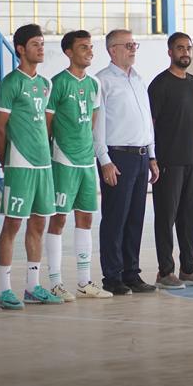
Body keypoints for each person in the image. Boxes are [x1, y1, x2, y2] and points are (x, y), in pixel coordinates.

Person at [0, 24, 63, 308]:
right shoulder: (11, 83)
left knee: (39, 222)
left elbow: (44, 125)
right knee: (12, 223)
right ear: (21, 49)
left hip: (43, 164)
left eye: (42, 43)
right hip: (19, 164)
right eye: (35, 44)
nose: (41, 48)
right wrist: (7, 161)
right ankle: (4, 289)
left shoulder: (45, 84)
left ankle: (32, 287)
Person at [43, 31, 113, 300]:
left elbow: (93, 124)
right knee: (59, 218)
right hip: (63, 161)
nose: (89, 51)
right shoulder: (58, 83)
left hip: (86, 162)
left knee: (85, 218)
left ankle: (84, 281)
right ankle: (55, 282)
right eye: (83, 47)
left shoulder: (94, 84)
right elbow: (47, 125)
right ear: (69, 52)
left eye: (91, 47)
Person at [93, 29, 159, 295]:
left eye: (134, 44)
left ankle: (132, 273)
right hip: (117, 156)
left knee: (135, 218)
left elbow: (146, 121)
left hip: (141, 156)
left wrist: (152, 155)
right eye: (128, 45)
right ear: (112, 50)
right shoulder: (102, 81)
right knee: (115, 218)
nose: (133, 49)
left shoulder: (138, 79)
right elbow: (97, 126)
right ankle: (112, 276)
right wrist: (104, 160)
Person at [148, 33, 193, 288]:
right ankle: (165, 272)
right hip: (169, 161)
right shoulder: (160, 84)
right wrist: (153, 158)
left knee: (189, 217)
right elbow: (151, 124)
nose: (185, 52)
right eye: (180, 48)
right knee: (166, 218)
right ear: (170, 52)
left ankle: (189, 268)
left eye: (188, 48)